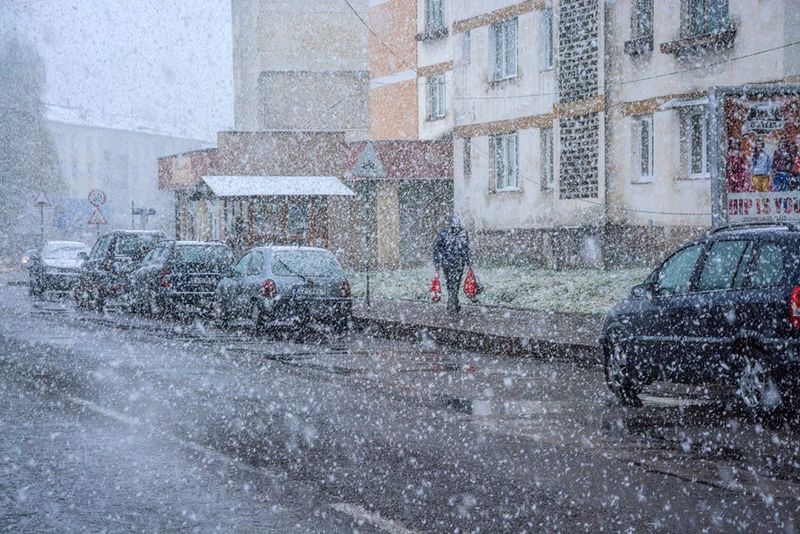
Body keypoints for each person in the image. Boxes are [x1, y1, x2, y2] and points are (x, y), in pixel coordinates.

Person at [433, 216, 472, 315]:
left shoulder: (463, 233)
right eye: (454, 227)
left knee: (456, 282)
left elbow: (466, 248)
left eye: (457, 227)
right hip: (447, 263)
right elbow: (437, 248)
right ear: (450, 226)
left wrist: (468, 261)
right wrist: (438, 262)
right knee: (450, 282)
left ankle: (453, 301)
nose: (456, 229)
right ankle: (452, 302)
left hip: (459, 263)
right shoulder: (444, 233)